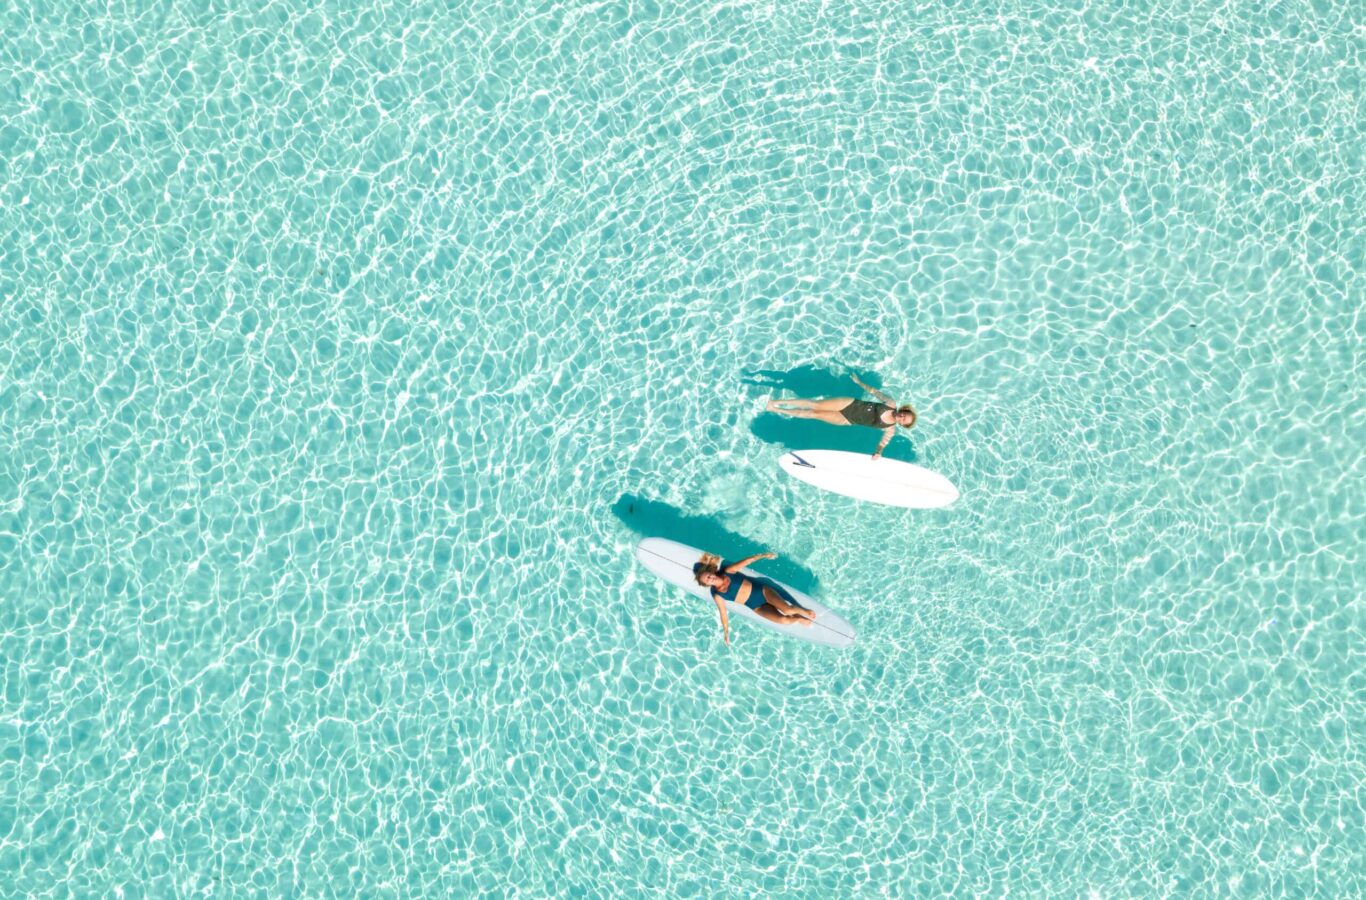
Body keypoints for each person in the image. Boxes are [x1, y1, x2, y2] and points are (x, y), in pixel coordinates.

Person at [765, 373, 916, 458]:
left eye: (904, 421)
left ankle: (777, 410)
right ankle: (777, 401)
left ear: (902, 424)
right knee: (815, 405)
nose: (902, 418)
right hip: (849, 404)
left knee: (813, 414)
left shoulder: (890, 429)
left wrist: (878, 453)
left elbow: (883, 442)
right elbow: (874, 392)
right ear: (903, 410)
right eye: (904, 415)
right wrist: (859, 382)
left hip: (847, 420)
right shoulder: (890, 403)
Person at [693, 551, 815, 644]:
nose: (710, 578)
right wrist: (726, 633)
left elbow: (747, 560)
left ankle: (802, 610)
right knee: (784, 621)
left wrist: (764, 555)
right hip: (756, 607)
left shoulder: (728, 571)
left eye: (708, 575)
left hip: (762, 592)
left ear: (712, 572)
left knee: (787, 610)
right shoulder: (717, 595)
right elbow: (723, 614)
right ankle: (798, 619)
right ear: (707, 584)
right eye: (707, 580)